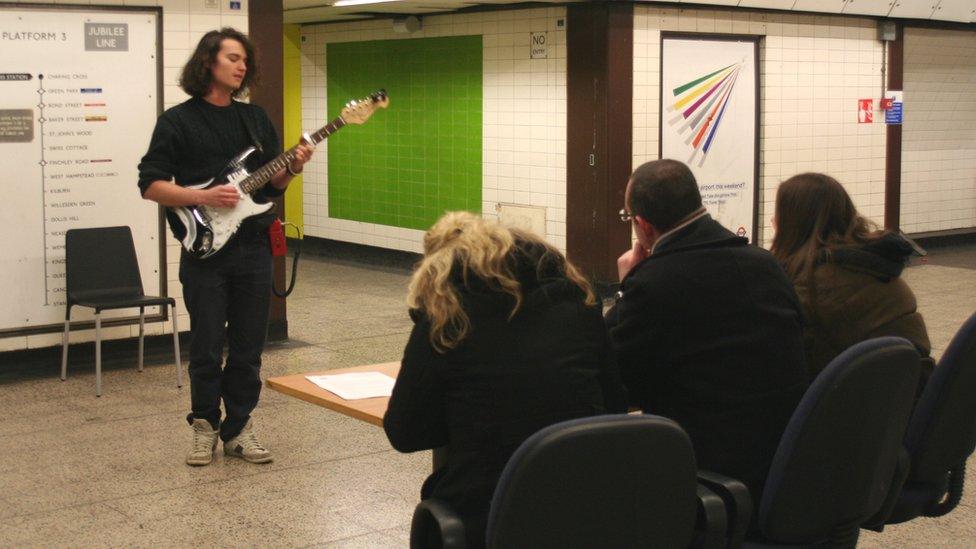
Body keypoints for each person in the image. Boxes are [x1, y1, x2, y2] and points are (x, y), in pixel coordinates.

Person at [384, 212, 627, 548]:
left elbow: (404, 432)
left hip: (486, 513)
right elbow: (614, 404)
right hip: (583, 503)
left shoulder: (446, 320)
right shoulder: (580, 304)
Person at [137, 28, 314, 466]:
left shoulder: (255, 119)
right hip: (205, 251)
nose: (242, 67)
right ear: (208, 64)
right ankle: (204, 425)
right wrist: (203, 197)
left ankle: (238, 427)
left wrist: (292, 168)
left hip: (253, 249)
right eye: (233, 58)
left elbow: (270, 189)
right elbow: (151, 185)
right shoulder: (177, 121)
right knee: (207, 343)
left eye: (245, 61)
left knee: (250, 345)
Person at [606, 159, 808, 518]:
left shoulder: (654, 285)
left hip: (712, 469)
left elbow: (613, 379)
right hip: (790, 456)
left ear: (643, 226)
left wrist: (627, 288)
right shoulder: (766, 264)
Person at [770, 172, 931, 386]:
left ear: (792, 225)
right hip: (908, 396)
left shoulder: (810, 287)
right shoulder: (878, 265)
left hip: (857, 408)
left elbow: (786, 368)